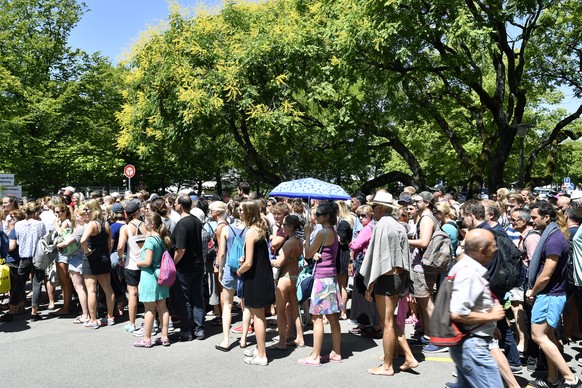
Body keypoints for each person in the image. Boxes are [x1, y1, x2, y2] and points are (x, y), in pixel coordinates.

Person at [361, 192, 418, 376]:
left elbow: (380, 259)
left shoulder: (383, 225)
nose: (372, 211)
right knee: (391, 321)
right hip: (398, 277)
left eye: (373, 208)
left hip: (387, 278)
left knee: (386, 323)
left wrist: (371, 284)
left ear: (378, 208)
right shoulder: (397, 225)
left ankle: (387, 366)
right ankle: (409, 357)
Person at [526, 201, 579, 388]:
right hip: (551, 295)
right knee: (548, 337)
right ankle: (552, 378)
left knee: (538, 336)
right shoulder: (552, 235)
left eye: (534, 217)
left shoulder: (554, 239)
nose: (531, 221)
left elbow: (546, 274)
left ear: (546, 217)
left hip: (550, 295)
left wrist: (532, 292)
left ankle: (571, 379)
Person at [447, 229, 505, 388]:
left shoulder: (466, 267)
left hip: (470, 343)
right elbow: (457, 313)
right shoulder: (468, 273)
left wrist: (489, 326)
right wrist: (490, 317)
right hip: (472, 347)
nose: (496, 249)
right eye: (493, 245)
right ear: (482, 251)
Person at [298, 201, 343, 367]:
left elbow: (308, 254)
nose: (314, 217)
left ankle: (315, 356)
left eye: (317, 214)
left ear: (325, 216)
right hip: (330, 277)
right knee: (332, 317)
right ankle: (336, 352)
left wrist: (307, 236)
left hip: (321, 278)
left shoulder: (322, 232)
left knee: (317, 318)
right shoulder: (332, 231)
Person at [236, 200, 275, 366]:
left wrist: (240, 269)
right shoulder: (260, 229)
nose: (239, 213)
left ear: (248, 213)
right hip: (262, 276)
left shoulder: (251, 232)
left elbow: (249, 263)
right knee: (259, 316)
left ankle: (261, 355)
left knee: (257, 317)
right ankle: (260, 350)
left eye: (241, 210)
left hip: (255, 278)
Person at [133, 212, 171, 347]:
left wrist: (138, 263)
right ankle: (164, 337)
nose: (143, 224)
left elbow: (147, 261)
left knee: (149, 309)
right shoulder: (161, 239)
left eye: (145, 222)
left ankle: (146, 338)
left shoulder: (150, 240)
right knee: (163, 307)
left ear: (152, 224)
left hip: (149, 277)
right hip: (161, 275)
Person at [172, 194, 205, 341]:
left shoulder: (182, 224)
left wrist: (173, 263)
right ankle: (199, 329)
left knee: (185, 299)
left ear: (180, 205)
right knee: (197, 297)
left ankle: (186, 330)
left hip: (184, 267)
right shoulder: (196, 221)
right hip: (197, 265)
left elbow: (181, 249)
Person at [270, 214, 305, 349]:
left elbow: (279, 262)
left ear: (290, 227)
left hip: (285, 278)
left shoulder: (289, 242)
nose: (282, 227)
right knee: (295, 309)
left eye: (284, 225)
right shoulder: (299, 241)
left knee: (280, 311)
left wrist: (268, 261)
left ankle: (282, 341)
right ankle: (300, 337)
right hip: (295, 276)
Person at [80, 199, 116, 329]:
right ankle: (110, 316)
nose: (85, 212)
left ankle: (93, 319)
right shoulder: (106, 224)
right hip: (104, 257)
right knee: (108, 289)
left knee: (91, 290)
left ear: (93, 209)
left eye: (87, 209)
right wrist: (107, 253)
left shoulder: (92, 224)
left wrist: (87, 252)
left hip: (92, 259)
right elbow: (109, 242)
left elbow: (83, 240)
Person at [348, 204, 381, 336]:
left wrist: (352, 242)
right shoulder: (371, 226)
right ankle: (363, 324)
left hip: (363, 265)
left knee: (363, 294)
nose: (361, 218)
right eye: (359, 216)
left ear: (371, 215)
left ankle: (375, 326)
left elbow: (355, 244)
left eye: (364, 215)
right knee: (361, 294)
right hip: (365, 264)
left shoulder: (368, 228)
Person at [116, 200, 147, 333]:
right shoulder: (147, 225)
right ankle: (150, 321)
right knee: (147, 294)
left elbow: (120, 246)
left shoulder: (126, 228)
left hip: (131, 264)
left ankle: (132, 323)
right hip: (146, 262)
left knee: (133, 294)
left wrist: (120, 257)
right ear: (138, 212)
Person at [57, 208, 90, 324]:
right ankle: (90, 313)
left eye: (78, 216)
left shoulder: (81, 230)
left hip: (77, 259)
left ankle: (85, 314)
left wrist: (57, 245)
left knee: (80, 288)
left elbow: (67, 242)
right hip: (86, 258)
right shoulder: (91, 227)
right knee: (88, 288)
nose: (76, 218)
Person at [336, 200, 354, 320]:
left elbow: (341, 240)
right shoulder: (349, 221)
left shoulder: (343, 223)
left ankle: (342, 312)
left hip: (342, 254)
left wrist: (331, 234)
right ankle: (343, 311)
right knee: (343, 284)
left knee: (341, 285)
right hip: (345, 253)